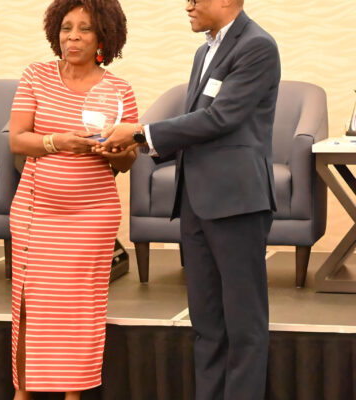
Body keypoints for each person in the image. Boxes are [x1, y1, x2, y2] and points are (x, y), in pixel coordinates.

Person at [99, 0, 281, 399]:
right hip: (196, 201)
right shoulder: (204, 51)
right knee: (207, 326)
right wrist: (141, 143)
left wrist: (141, 134)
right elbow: (198, 126)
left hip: (237, 202)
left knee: (244, 326)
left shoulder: (257, 45)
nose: (188, 6)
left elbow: (220, 118)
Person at [8, 0, 138, 399]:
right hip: (37, 213)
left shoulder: (119, 90)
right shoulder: (36, 76)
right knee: (30, 306)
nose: (73, 37)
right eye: (67, 28)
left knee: (79, 309)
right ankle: (23, 393)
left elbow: (128, 160)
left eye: (84, 29)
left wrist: (114, 150)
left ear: (103, 37)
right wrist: (59, 142)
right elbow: (17, 140)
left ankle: (73, 395)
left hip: (92, 216)